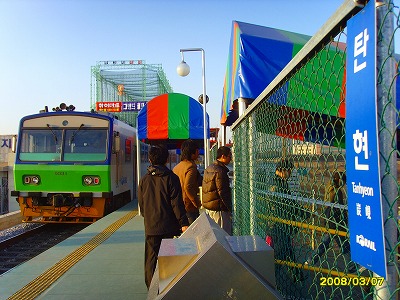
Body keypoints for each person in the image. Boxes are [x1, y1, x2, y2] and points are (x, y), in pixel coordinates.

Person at [138, 144, 189, 289]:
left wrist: (148, 218)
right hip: (169, 226)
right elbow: (176, 204)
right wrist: (183, 223)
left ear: (149, 159)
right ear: (167, 159)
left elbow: (142, 204)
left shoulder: (144, 180)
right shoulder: (171, 178)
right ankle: (168, 287)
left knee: (151, 258)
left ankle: (151, 288)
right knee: (169, 258)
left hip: (151, 226)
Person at [308, 171, 359, 273]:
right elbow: (338, 208)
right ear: (340, 180)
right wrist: (344, 221)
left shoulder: (329, 187)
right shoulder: (336, 191)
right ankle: (351, 266)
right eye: (344, 182)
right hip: (336, 223)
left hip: (330, 221)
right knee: (343, 245)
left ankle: (311, 260)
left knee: (327, 243)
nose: (344, 185)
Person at [270, 158, 307, 282]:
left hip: (277, 223)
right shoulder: (279, 184)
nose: (290, 174)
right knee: (282, 253)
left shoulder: (276, 181)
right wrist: (303, 213)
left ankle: (297, 277)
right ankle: (270, 279)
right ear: (283, 170)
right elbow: (289, 204)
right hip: (280, 225)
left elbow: (289, 203)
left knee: (287, 252)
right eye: (289, 171)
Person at [201, 146, 232, 235]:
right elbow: (222, 192)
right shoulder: (220, 171)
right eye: (229, 156)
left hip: (210, 208)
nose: (231, 159)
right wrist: (229, 208)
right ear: (223, 156)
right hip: (219, 209)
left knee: (214, 236)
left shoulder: (209, 168)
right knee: (224, 236)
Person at [173, 139, 202, 224]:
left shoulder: (177, 167)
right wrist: (196, 202)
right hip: (189, 207)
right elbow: (188, 187)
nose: (198, 153)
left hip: (178, 206)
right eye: (197, 150)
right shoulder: (191, 167)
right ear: (192, 152)